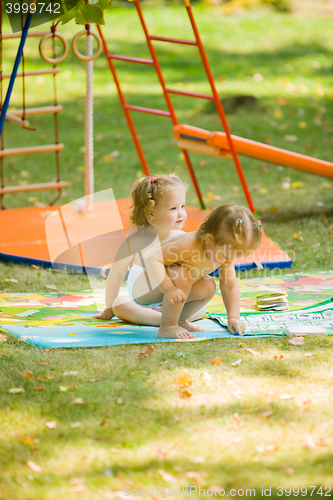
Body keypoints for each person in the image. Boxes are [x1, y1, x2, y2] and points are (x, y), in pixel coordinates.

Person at [93, 174, 208, 336]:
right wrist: (108, 309)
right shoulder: (135, 241)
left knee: (203, 305)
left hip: (174, 300)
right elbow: (116, 274)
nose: (181, 213)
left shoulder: (182, 237)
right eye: (173, 208)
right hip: (143, 301)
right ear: (151, 213)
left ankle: (173, 318)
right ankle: (162, 321)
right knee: (119, 304)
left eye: (183, 206)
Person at [144, 205, 262, 339]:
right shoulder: (189, 244)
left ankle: (179, 321)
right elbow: (153, 260)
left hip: (168, 292)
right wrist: (168, 288)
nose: (229, 260)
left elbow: (230, 286)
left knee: (208, 286)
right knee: (182, 275)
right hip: (145, 285)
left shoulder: (222, 254)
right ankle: (167, 326)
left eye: (234, 257)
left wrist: (233, 318)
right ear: (209, 240)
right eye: (226, 255)